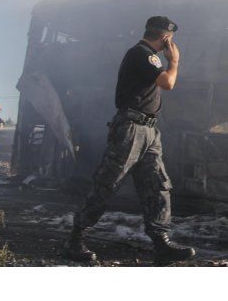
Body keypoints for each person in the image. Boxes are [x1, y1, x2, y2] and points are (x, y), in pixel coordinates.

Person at [64, 16, 196, 265]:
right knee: (107, 182)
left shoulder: (147, 55)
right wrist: (175, 61)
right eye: (170, 39)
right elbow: (168, 83)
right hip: (131, 128)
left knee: (157, 185)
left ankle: (161, 243)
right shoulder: (142, 54)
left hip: (148, 130)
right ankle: (75, 239)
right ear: (165, 37)